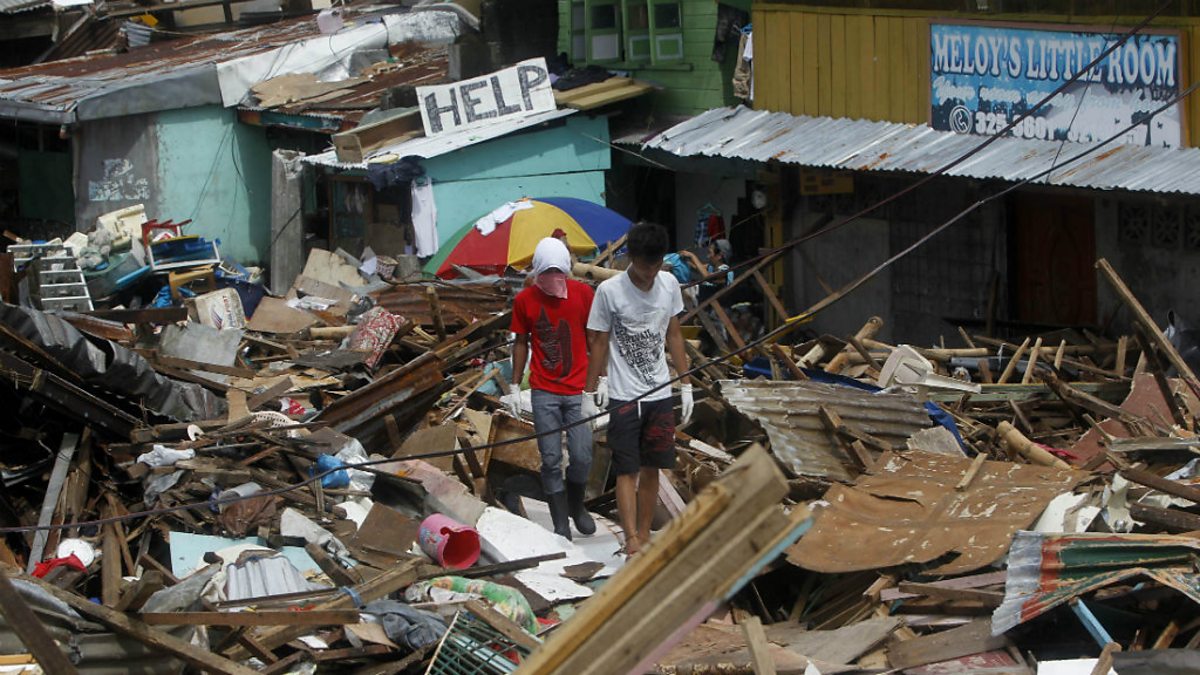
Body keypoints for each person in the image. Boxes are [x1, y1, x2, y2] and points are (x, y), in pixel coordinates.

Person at [585, 221, 694, 557]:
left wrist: (685, 383)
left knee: (653, 469)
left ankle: (645, 532)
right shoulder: (610, 291)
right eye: (646, 266)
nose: (651, 274)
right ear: (631, 258)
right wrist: (591, 391)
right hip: (624, 396)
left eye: (657, 265)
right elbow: (599, 341)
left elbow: (674, 335)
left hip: (660, 395)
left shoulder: (669, 284)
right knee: (627, 469)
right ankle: (631, 537)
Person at [503, 237, 598, 541]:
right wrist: (516, 385)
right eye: (548, 273)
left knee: (583, 455)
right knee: (551, 457)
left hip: (578, 390)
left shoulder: (584, 294)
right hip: (544, 389)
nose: (555, 279)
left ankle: (576, 505)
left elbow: (596, 340)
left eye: (560, 272)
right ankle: (560, 521)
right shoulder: (525, 301)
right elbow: (520, 343)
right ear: (538, 273)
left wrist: (599, 383)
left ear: (567, 271)